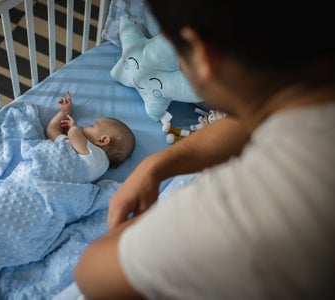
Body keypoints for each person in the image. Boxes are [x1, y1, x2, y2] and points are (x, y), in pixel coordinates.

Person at [74, 0, 335, 298]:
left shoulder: (247, 208)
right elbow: (250, 121)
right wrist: (154, 165)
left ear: (202, 56)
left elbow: (92, 274)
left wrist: (158, 219)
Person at [46, 90, 135, 181]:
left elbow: (74, 134)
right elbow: (52, 130)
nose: (85, 126)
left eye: (92, 126)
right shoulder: (71, 146)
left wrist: (73, 127)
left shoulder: (100, 160)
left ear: (102, 140)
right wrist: (64, 113)